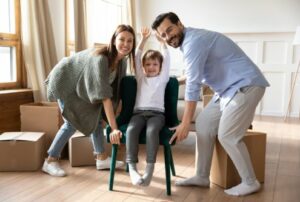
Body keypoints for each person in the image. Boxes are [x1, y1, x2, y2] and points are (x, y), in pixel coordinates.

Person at [152, 12, 270, 196]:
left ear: (180, 24)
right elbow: (193, 76)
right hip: (226, 91)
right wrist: (172, 81)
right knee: (203, 123)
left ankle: (250, 181)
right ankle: (201, 176)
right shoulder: (189, 42)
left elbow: (193, 85)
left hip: (246, 85)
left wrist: (184, 123)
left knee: (227, 135)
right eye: (164, 35)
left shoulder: (193, 42)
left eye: (170, 29)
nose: (168, 36)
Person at [42, 24, 136, 177]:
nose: (126, 44)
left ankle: (101, 157)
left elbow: (114, 90)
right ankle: (50, 160)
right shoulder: (101, 59)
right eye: (122, 39)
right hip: (66, 83)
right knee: (71, 123)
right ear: (113, 40)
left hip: (83, 87)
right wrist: (114, 128)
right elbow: (105, 96)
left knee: (95, 117)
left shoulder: (122, 62)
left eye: (130, 41)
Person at [125, 27, 170, 186]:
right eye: (148, 64)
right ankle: (132, 168)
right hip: (138, 114)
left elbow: (166, 58)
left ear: (160, 66)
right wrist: (143, 40)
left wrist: (162, 43)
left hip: (157, 115)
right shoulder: (140, 78)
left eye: (155, 64)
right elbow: (137, 57)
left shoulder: (163, 78)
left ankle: (149, 170)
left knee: (152, 131)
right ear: (143, 67)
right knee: (131, 130)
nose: (151, 67)